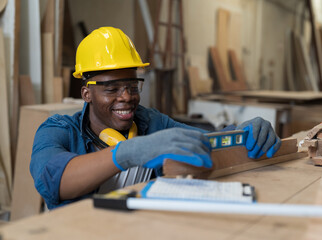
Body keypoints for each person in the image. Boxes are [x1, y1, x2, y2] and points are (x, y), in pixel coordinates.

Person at [30, 26, 281, 210]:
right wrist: (128, 152)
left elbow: (204, 142)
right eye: (111, 89)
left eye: (132, 85)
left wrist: (242, 134)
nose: (127, 97)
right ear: (87, 93)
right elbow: (56, 182)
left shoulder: (151, 122)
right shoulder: (58, 130)